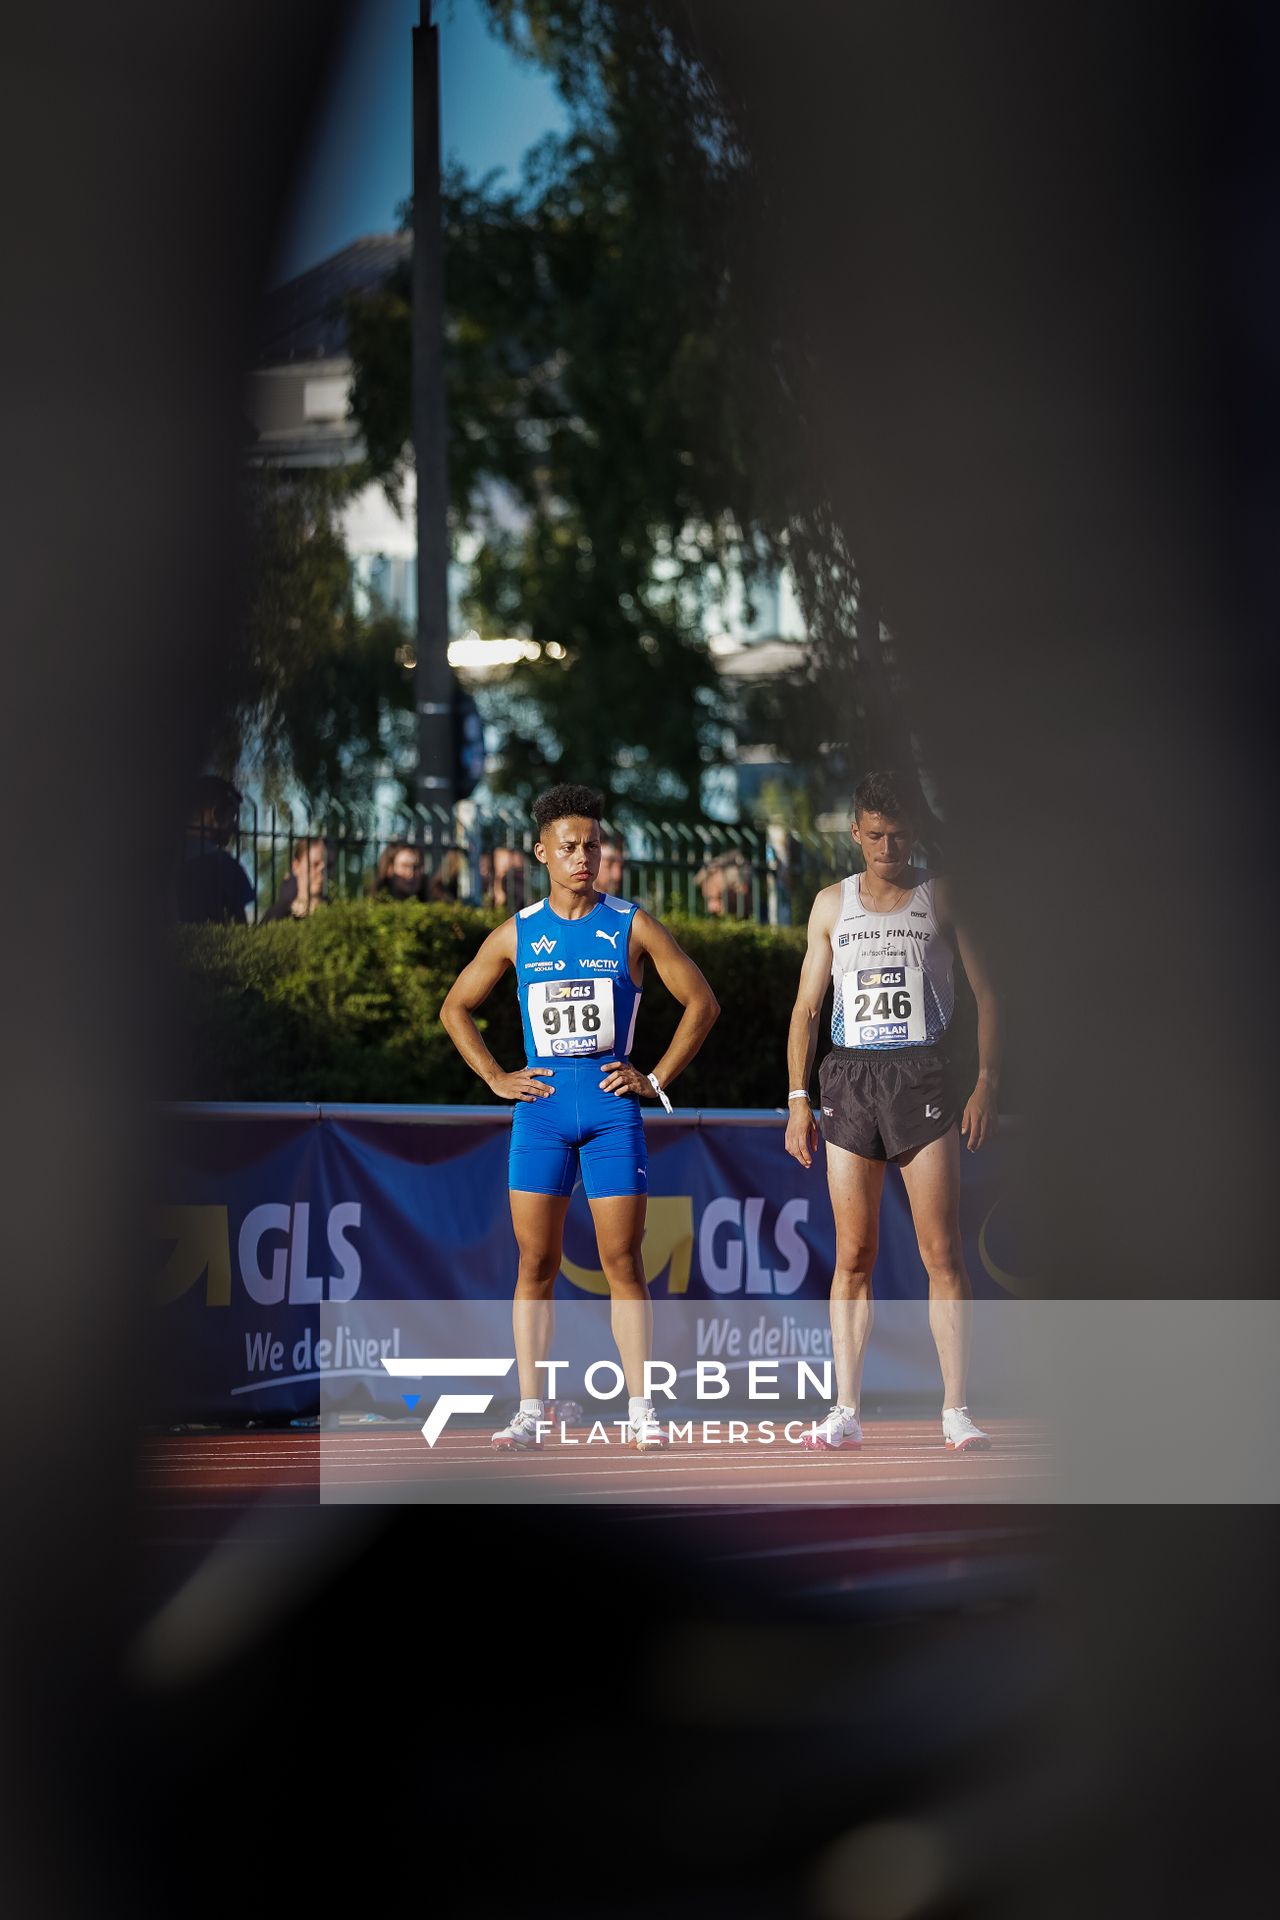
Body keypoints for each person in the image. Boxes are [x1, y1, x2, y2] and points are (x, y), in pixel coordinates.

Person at [440, 782, 719, 1452]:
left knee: (622, 1260)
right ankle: (530, 1410)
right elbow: (455, 1008)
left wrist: (652, 1077)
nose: (583, 857)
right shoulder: (518, 933)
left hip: (609, 1112)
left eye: (592, 845)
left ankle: (640, 1409)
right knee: (535, 1261)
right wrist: (495, 1077)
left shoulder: (631, 924)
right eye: (569, 847)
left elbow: (701, 1003)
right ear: (542, 852)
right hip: (538, 1113)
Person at [783, 769, 1000, 1452]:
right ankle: (844, 1407)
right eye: (876, 834)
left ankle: (956, 1411)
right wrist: (797, 1099)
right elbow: (807, 1010)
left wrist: (987, 1080)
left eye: (901, 834)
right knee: (854, 1252)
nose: (889, 846)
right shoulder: (829, 906)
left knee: (940, 1250)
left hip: (921, 1077)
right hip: (847, 1078)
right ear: (855, 832)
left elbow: (990, 994)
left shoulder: (941, 897)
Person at [174, 774, 254, 925]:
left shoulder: (158, 859)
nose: (236, 827)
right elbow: (242, 934)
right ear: (216, 815)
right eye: (233, 817)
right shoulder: (224, 866)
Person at [262, 836, 328, 921]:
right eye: (315, 865)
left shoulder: (336, 913)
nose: (321, 872)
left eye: (325, 866)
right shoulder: (278, 915)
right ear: (296, 866)